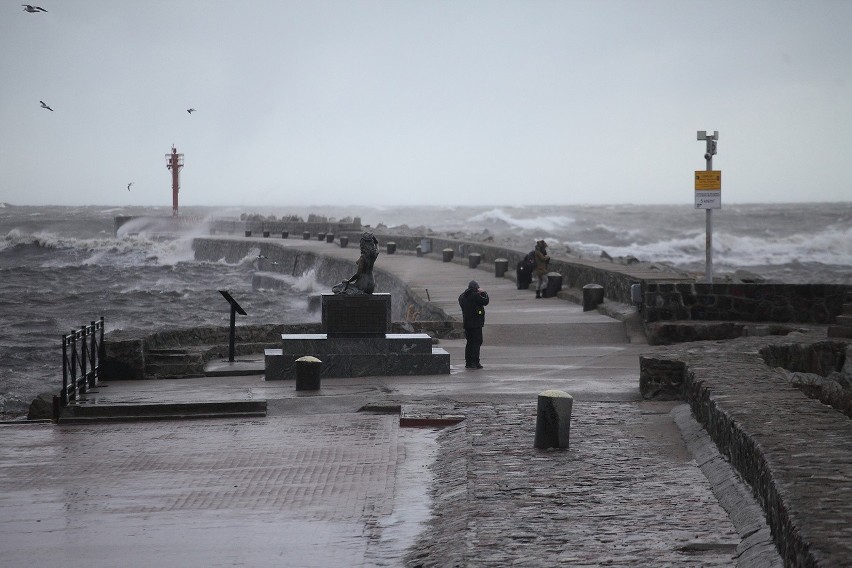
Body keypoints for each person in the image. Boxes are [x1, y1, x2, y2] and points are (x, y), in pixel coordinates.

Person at [458, 279, 489, 369]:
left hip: (467, 323)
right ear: (476, 288)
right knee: (477, 342)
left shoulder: (462, 297)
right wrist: (484, 292)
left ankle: (468, 362)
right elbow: (486, 301)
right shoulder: (476, 296)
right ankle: (475, 362)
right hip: (476, 324)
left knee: (469, 343)